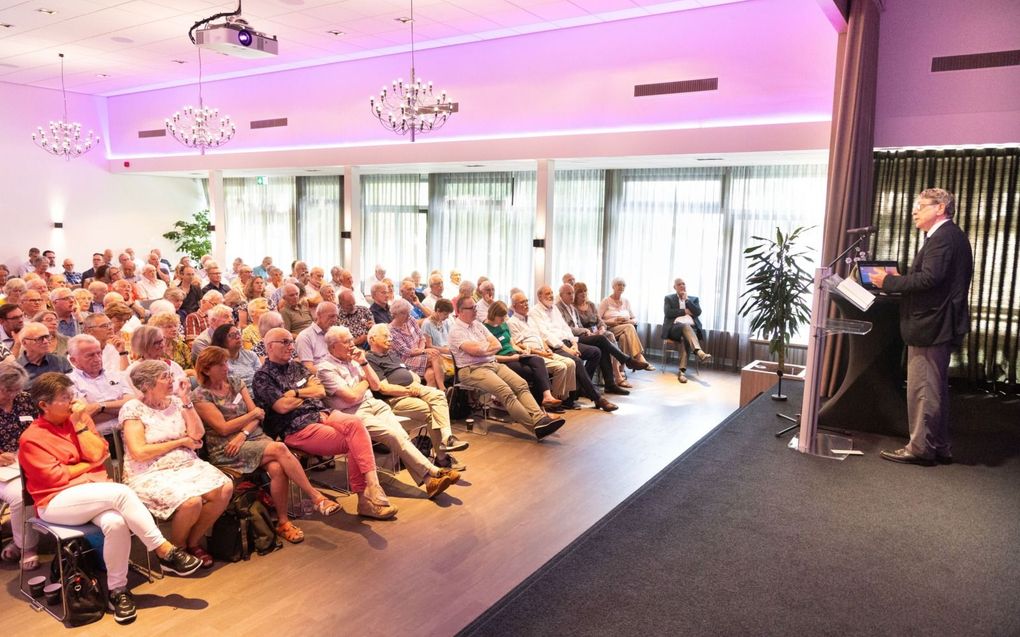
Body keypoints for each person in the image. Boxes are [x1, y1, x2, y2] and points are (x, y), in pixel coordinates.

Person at [19, 372, 203, 623]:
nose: (74, 402)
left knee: (115, 523)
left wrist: (81, 424)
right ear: (44, 405)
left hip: (94, 494)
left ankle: (117, 591)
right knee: (122, 492)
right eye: (65, 398)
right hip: (55, 501)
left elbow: (99, 454)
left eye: (72, 395)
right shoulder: (31, 438)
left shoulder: (78, 419)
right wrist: (85, 468)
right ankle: (164, 550)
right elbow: (55, 479)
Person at [193, 347, 341, 544]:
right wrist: (250, 418)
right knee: (280, 449)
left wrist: (244, 432)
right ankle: (316, 497)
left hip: (250, 437)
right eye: (220, 364)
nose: (226, 367)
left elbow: (259, 414)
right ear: (206, 369)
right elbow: (222, 428)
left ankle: (283, 522)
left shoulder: (235, 382)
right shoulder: (201, 396)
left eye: (226, 362)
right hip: (227, 448)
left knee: (277, 467)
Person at [870, 188, 974, 465]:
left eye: (920, 206)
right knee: (934, 388)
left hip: (931, 324)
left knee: (923, 388)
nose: (915, 211)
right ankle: (938, 445)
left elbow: (929, 280)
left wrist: (889, 282)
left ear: (940, 208)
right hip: (939, 322)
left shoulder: (942, 238)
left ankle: (920, 449)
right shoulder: (950, 236)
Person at [252, 327, 397, 519]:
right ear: (270, 347)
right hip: (298, 427)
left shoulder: (297, 367)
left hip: (323, 414)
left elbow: (320, 391)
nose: (291, 346)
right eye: (285, 342)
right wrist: (306, 391)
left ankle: (373, 487)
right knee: (356, 442)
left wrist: (296, 393)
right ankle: (365, 501)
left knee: (355, 424)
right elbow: (282, 407)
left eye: (291, 341)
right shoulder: (263, 377)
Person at [319, 327, 461, 496]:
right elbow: (351, 397)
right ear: (333, 346)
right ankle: (436, 471)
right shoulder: (325, 368)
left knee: (401, 435)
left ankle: (430, 482)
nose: (352, 344)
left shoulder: (357, 360)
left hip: (374, 404)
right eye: (347, 341)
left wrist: (363, 364)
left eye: (351, 340)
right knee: (393, 436)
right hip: (352, 414)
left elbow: (376, 385)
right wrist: (366, 382)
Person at [448, 295, 565, 440]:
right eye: (471, 308)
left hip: (492, 363)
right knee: (505, 391)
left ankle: (540, 418)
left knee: (521, 384)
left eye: (475, 307)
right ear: (460, 311)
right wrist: (484, 348)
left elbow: (496, 344)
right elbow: (475, 351)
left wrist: (484, 348)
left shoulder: (477, 325)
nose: (475, 310)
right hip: (471, 369)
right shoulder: (456, 330)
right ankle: (536, 426)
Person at [530, 286, 620, 410]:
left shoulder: (554, 308)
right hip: (555, 346)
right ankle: (597, 398)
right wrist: (568, 350)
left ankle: (581, 388)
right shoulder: (535, 312)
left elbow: (565, 328)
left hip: (568, 342)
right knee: (576, 361)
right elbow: (546, 335)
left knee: (595, 352)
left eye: (551, 293)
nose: (550, 295)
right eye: (547, 293)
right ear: (539, 296)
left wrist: (574, 344)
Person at [557, 283, 649, 387]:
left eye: (573, 293)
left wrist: (601, 328)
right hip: (576, 337)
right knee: (602, 340)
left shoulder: (579, 306)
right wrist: (586, 331)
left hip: (588, 333)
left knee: (607, 338)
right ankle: (626, 362)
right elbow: (568, 329)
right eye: (570, 293)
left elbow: (598, 320)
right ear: (561, 295)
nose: (574, 295)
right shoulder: (562, 308)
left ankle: (611, 383)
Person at [485, 300, 564, 412]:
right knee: (531, 372)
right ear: (493, 314)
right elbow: (491, 356)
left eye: (505, 316)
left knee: (538, 361)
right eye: (501, 317)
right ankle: (537, 407)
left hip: (514, 354)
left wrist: (523, 351)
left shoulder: (503, 325)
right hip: (504, 360)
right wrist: (512, 357)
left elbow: (512, 344)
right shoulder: (485, 329)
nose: (504, 319)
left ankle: (547, 396)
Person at [0, 361, 39, 570]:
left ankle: (19, 538)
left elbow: (42, 426)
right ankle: (26, 546)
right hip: (3, 470)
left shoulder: (25, 400)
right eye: (7, 390)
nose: (12, 395)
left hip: (28, 459)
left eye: (16, 390)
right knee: (20, 494)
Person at [66, 334, 133, 436]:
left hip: (128, 432)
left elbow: (132, 403)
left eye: (99, 353)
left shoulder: (115, 374)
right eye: (90, 355)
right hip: (98, 438)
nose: (97, 358)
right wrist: (121, 408)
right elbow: (85, 415)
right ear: (73, 360)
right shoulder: (69, 382)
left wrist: (99, 406)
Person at [591, 280, 652, 371]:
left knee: (624, 336)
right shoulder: (606, 301)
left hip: (625, 328)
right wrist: (613, 321)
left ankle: (621, 368)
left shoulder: (626, 301)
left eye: (624, 285)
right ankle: (638, 356)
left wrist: (629, 321)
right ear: (613, 287)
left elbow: (635, 318)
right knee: (629, 328)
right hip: (610, 329)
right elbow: (597, 319)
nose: (621, 287)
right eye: (619, 285)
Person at [662, 277, 712, 384]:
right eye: (679, 284)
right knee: (685, 326)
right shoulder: (669, 298)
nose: (682, 286)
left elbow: (697, 312)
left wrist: (687, 300)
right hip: (674, 328)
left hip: (690, 330)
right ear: (674, 287)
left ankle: (682, 373)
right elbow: (668, 313)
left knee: (685, 338)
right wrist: (685, 311)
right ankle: (699, 352)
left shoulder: (693, 299)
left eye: (683, 284)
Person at [388, 298, 445, 390]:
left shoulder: (411, 319)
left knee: (431, 374)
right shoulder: (391, 331)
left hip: (419, 354)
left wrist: (421, 350)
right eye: (403, 313)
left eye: (408, 312)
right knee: (434, 355)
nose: (407, 315)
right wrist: (423, 351)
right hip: (405, 360)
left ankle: (432, 396)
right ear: (394, 314)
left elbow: (421, 337)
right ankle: (443, 389)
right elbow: (406, 352)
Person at [210, 323, 260, 389]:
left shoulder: (250, 355)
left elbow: (261, 378)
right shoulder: (218, 362)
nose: (238, 337)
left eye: (238, 333)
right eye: (233, 335)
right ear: (221, 340)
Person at [295, 302, 339, 373]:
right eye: (331, 316)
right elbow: (308, 368)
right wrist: (333, 375)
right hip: (325, 376)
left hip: (342, 371)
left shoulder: (335, 332)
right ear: (318, 315)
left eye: (336, 316)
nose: (335, 319)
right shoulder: (305, 337)